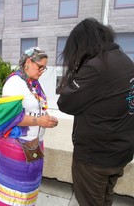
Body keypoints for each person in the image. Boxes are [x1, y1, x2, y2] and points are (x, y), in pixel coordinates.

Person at [57, 18, 134, 206]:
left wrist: (76, 69)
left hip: (96, 157)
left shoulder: (96, 66)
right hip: (120, 151)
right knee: (105, 197)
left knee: (91, 201)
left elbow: (65, 103)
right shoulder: (125, 61)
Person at [0, 47, 59, 205]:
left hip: (34, 144)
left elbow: (36, 108)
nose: (42, 71)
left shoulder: (33, 83)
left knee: (28, 189)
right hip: (17, 146)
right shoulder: (14, 83)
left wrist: (46, 118)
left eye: (44, 67)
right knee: (14, 190)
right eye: (40, 66)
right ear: (29, 62)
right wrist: (39, 121)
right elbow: (8, 117)